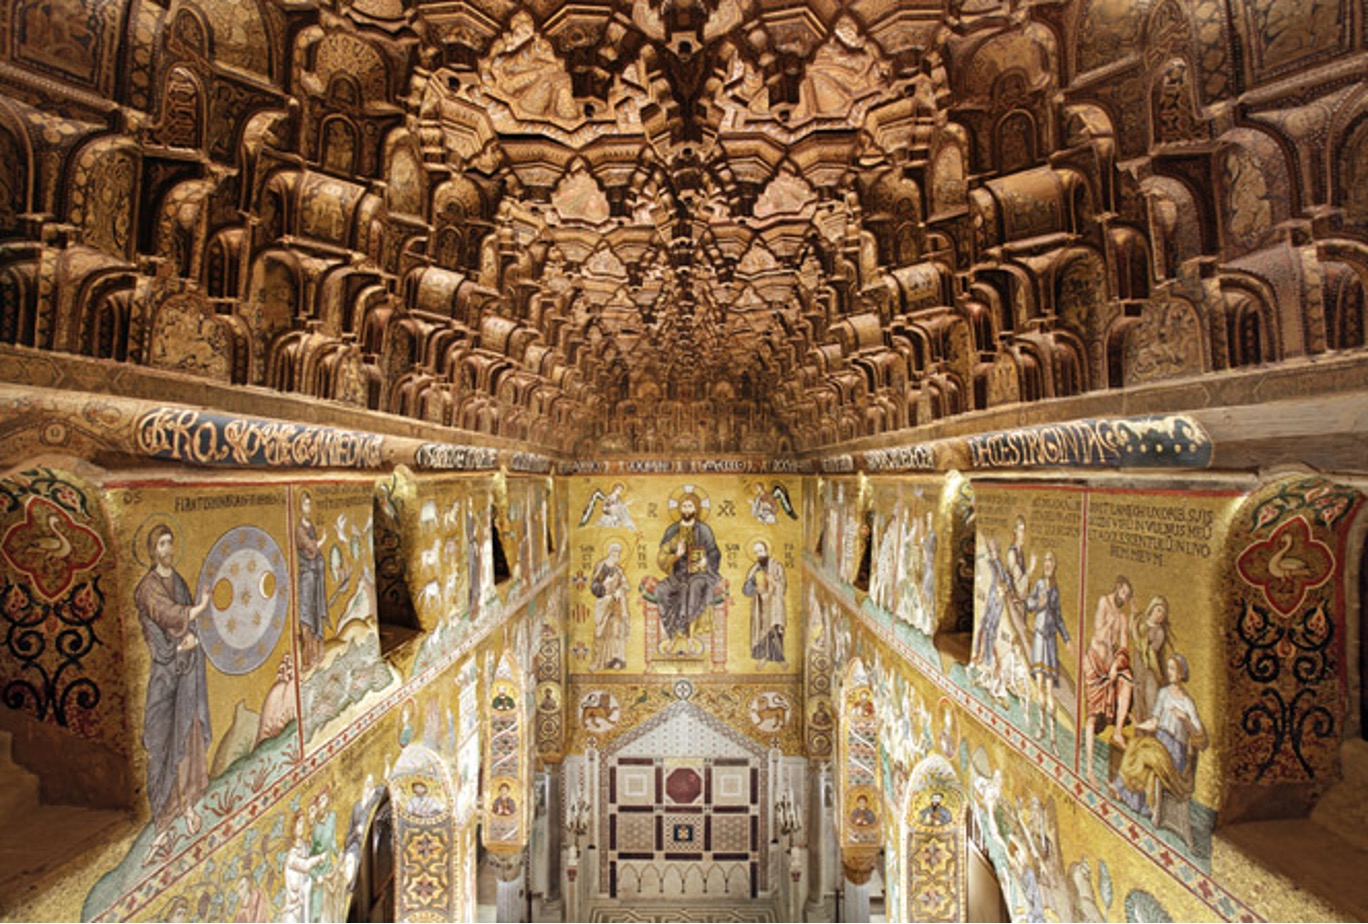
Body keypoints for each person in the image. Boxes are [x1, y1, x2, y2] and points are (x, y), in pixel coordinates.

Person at [135, 523, 212, 855]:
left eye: (170, 542)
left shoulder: (177, 580)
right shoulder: (147, 588)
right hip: (166, 679)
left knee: (190, 734)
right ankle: (164, 821)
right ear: (153, 550)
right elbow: (171, 617)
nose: (167, 548)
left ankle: (189, 803)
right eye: (162, 543)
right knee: (166, 743)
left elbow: (186, 624)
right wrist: (202, 606)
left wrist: (191, 638)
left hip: (186, 674)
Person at [1112, 653, 1207, 824]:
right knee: (1136, 746)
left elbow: (1200, 734)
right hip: (1160, 743)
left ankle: (1133, 798)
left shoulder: (1187, 703)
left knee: (1143, 754)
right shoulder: (1163, 694)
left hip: (1175, 753)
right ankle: (1125, 792)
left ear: (1181, 673)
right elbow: (1155, 723)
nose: (1169, 672)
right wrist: (1138, 725)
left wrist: (1185, 719)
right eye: (1168, 667)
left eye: (1173, 668)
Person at [653, 493, 721, 651]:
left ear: (696, 509)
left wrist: (707, 562)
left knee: (692, 588)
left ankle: (688, 635)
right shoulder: (673, 531)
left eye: (690, 506)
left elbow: (714, 552)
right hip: (677, 574)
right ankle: (673, 634)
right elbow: (662, 556)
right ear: (679, 508)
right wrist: (676, 555)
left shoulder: (704, 530)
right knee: (661, 590)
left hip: (700, 574)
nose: (687, 509)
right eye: (684, 506)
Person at [1083, 575, 1134, 782]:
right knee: (1092, 716)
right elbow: (1098, 631)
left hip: (1108, 666)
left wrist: (1116, 664)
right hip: (1094, 663)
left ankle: (1119, 731)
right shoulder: (1104, 602)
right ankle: (1088, 769)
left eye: (1128, 596)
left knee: (1127, 678)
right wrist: (1110, 622)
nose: (1125, 598)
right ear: (1118, 587)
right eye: (1124, 593)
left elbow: (1123, 647)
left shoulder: (1122, 618)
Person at [1026, 551, 1069, 748]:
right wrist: (1038, 604)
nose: (1047, 563)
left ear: (1055, 565)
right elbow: (1028, 604)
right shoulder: (1039, 585)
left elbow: (1058, 617)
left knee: (1050, 688)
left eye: (1051, 560)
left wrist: (1067, 639)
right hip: (1038, 639)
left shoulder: (1055, 590)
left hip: (1050, 640)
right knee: (1040, 685)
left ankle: (1053, 735)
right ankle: (1042, 726)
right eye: (1046, 560)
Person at [296, 491, 328, 674]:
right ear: (300, 507)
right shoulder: (300, 529)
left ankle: (316, 654)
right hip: (306, 577)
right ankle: (307, 659)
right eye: (305, 504)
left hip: (315, 576)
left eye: (309, 504)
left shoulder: (310, 526)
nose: (308, 508)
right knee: (306, 617)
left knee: (316, 615)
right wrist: (322, 539)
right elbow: (310, 547)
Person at [744, 540, 787, 668]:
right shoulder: (754, 568)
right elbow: (746, 589)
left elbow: (783, 586)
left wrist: (773, 581)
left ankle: (779, 658)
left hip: (774, 603)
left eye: (761, 551)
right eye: (756, 552)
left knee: (775, 629)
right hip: (760, 605)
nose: (759, 555)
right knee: (761, 630)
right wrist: (754, 588)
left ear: (767, 550)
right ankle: (763, 657)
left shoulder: (777, 566)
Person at [590, 541, 630, 669]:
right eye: (614, 551)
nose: (616, 554)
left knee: (616, 631)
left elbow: (625, 584)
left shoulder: (618, 570)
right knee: (600, 632)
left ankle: (615, 659)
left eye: (618, 552)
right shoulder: (602, 567)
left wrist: (620, 590)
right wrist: (605, 587)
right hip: (604, 603)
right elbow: (594, 586)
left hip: (617, 604)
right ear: (609, 552)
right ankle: (598, 661)